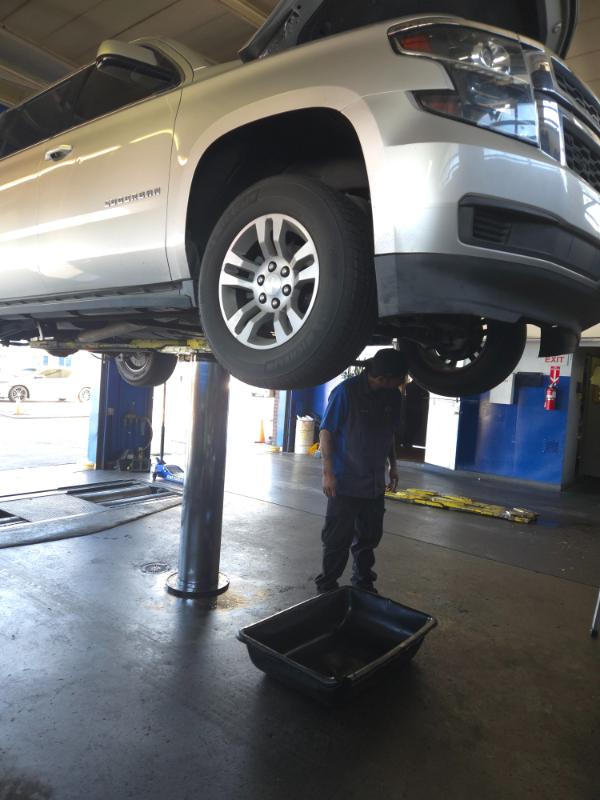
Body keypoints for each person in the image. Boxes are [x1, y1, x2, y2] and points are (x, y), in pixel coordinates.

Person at [315, 348, 408, 593]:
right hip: (345, 482)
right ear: (384, 377)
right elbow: (326, 432)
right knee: (337, 540)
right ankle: (327, 588)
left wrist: (393, 466)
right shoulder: (346, 392)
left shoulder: (393, 396)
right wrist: (328, 473)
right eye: (400, 379)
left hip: (374, 484)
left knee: (368, 539)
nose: (402, 383)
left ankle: (363, 584)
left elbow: (389, 433)